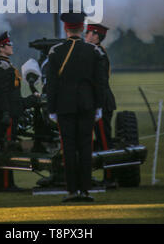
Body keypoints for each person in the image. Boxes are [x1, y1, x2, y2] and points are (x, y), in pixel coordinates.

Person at [46, 12, 106, 203]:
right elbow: (100, 82)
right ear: (82, 28)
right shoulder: (94, 51)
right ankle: (86, 190)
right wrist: (98, 106)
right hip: (87, 104)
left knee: (69, 148)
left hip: (64, 106)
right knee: (86, 147)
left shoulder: (56, 51)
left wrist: (51, 109)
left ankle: (72, 190)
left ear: (66, 28)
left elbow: (52, 84)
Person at [0, 32, 39, 191]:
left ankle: (5, 183)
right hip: (8, 114)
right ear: (1, 48)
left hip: (11, 111)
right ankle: (6, 184)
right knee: (7, 148)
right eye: (9, 44)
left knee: (8, 146)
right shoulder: (2, 66)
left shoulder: (5, 64)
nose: (11, 46)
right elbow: (3, 93)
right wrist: (6, 113)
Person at [85, 23, 116, 151]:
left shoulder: (98, 53)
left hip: (101, 102)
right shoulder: (95, 52)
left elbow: (100, 81)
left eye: (88, 33)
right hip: (97, 101)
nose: (85, 35)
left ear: (95, 36)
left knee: (104, 143)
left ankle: (108, 169)